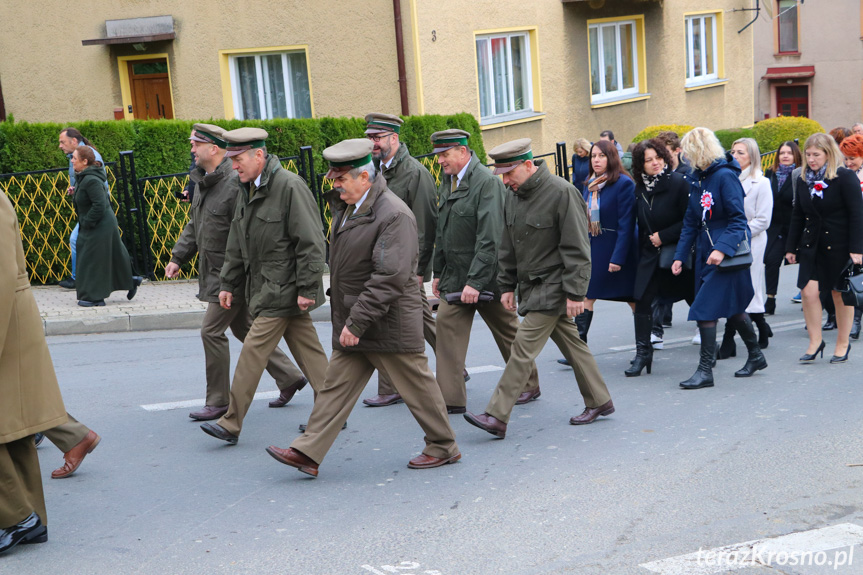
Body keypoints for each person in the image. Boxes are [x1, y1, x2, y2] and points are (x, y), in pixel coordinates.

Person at [265, 139, 461, 477]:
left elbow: (389, 277)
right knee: (334, 388)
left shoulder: (394, 214)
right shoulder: (348, 207)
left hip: (387, 321)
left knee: (417, 386)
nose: (334, 185)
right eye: (333, 178)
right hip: (356, 319)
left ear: (365, 178)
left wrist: (356, 323)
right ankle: (308, 452)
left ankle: (444, 446)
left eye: (340, 179)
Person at [463, 139, 614, 439]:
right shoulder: (513, 195)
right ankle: (600, 400)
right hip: (532, 287)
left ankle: (496, 415)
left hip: (555, 286)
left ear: (529, 165)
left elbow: (577, 249)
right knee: (573, 345)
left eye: (509, 173)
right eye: (502, 175)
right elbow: (508, 244)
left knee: (521, 349)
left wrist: (575, 293)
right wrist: (506, 285)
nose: (505, 181)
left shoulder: (561, 192)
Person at [166, 124, 309, 421]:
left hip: (234, 275)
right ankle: (289, 377)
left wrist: (234, 278)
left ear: (213, 148)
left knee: (211, 330)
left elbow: (245, 234)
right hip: (219, 272)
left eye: (196, 144)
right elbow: (196, 224)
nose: (192, 150)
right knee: (244, 328)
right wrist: (178, 256)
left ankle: (218, 401)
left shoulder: (236, 183)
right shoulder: (205, 182)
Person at [199, 128, 329, 445]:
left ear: (259, 155)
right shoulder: (246, 188)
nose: (234, 165)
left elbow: (311, 243)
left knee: (252, 353)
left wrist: (307, 289)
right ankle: (331, 413)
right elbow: (236, 243)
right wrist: (228, 283)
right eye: (230, 158)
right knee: (311, 356)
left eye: (239, 158)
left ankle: (230, 423)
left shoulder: (289, 187)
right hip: (266, 288)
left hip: (284, 290)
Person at [430, 129, 540, 411]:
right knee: (446, 333)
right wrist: (438, 271)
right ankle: (451, 399)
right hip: (455, 276)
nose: (440, 161)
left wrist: (476, 282)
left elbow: (490, 236)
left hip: (488, 276)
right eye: (439, 155)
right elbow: (443, 229)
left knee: (507, 331)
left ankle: (528, 383)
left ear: (463, 152)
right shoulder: (448, 179)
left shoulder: (485, 182)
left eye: (445, 154)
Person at [671, 127, 767, 389]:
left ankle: (705, 371)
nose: (686, 159)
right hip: (706, 254)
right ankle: (756, 356)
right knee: (734, 310)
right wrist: (680, 256)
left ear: (700, 152)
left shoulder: (725, 177)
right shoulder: (697, 179)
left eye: (689, 153)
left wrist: (721, 248)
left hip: (727, 254)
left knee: (705, 309)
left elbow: (739, 221)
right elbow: (690, 222)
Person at [359, 113, 443, 408]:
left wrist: (421, 270)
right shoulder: (373, 170)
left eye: (377, 138)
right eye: (369, 138)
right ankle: (454, 367)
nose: (372, 144)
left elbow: (425, 223)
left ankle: (391, 386)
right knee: (419, 319)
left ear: (394, 139)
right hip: (383, 261)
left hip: (406, 264)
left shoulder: (414, 173)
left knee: (390, 319)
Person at [0, 190, 68, 554]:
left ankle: (15, 518)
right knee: (11, 430)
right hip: (10, 325)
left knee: (9, 427)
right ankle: (30, 520)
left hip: (6, 325)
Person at [785, 133, 863, 363]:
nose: (811, 159)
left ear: (828, 154)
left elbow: (857, 214)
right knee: (808, 293)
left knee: (839, 295)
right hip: (812, 244)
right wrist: (791, 247)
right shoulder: (802, 179)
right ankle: (815, 341)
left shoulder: (844, 176)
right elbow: (798, 214)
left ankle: (842, 343)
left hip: (839, 244)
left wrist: (857, 249)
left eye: (816, 155)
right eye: (808, 155)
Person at [625, 139, 694, 377]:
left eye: (658, 158)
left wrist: (663, 236)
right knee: (641, 300)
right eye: (648, 160)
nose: (655, 163)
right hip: (649, 253)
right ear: (639, 165)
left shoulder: (678, 183)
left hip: (675, 253)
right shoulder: (639, 187)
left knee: (694, 297)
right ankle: (643, 354)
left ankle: (716, 345)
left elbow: (690, 220)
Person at [577, 139, 638, 343]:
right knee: (587, 295)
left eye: (601, 156)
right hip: (596, 246)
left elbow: (626, 224)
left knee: (630, 298)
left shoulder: (623, 183)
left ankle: (647, 338)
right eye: (593, 156)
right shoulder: (591, 183)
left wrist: (618, 258)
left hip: (618, 248)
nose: (596, 160)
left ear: (611, 157)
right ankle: (578, 347)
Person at [717, 138, 774, 358]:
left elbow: (763, 220)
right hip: (729, 241)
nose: (735, 156)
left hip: (752, 241)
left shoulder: (761, 183)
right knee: (736, 288)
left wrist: (738, 233)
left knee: (748, 287)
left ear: (752, 156)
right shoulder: (727, 178)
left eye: (741, 152)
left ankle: (729, 339)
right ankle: (759, 327)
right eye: (733, 152)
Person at [71, 146, 140, 307]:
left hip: (100, 225)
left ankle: (95, 297)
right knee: (110, 256)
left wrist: (87, 222)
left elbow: (100, 205)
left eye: (74, 158)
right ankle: (131, 279)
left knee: (92, 259)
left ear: (85, 161)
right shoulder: (84, 177)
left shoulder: (91, 180)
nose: (72, 160)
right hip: (97, 223)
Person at [56, 128, 109, 290]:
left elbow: (97, 182)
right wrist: (75, 188)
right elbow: (83, 181)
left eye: (62, 142)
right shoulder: (76, 156)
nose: (60, 146)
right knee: (104, 246)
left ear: (73, 141)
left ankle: (78, 278)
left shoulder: (89, 156)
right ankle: (129, 277)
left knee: (77, 239)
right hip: (92, 208)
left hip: (96, 209)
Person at [763, 141, 802, 315]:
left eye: (789, 153)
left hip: (797, 227)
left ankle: (811, 298)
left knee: (806, 264)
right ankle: (770, 299)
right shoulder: (770, 174)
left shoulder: (802, 175)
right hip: (776, 227)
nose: (785, 156)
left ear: (796, 156)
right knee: (771, 261)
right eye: (782, 153)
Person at [839, 134, 863, 339]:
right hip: (851, 231)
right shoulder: (844, 175)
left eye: (852, 157)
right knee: (855, 276)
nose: (849, 162)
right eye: (845, 158)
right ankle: (854, 320)